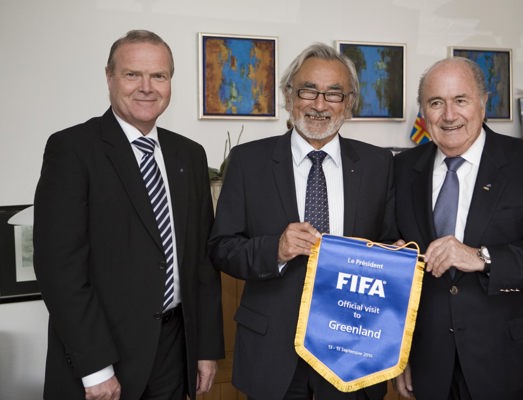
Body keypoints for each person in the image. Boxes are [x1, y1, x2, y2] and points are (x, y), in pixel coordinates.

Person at [33, 30, 224, 400]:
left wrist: (205, 348)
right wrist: (95, 368)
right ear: (110, 77)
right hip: (104, 356)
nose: (146, 87)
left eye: (159, 76)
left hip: (174, 350)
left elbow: (202, 263)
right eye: (132, 74)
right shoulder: (72, 150)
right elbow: (60, 270)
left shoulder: (189, 155)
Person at [208, 43, 396, 400]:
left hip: (353, 353)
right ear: (288, 95)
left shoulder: (378, 164)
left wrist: (393, 256)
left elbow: (390, 243)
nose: (320, 104)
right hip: (272, 354)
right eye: (308, 90)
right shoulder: (248, 162)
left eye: (334, 93)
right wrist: (275, 250)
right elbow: (221, 248)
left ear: (349, 102)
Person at [392, 56, 523, 399]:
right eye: (436, 103)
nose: (449, 115)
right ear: (423, 111)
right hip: (430, 365)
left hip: (507, 363)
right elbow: (392, 260)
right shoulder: (402, 169)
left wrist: (480, 257)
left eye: (460, 100)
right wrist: (400, 353)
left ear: (483, 102)